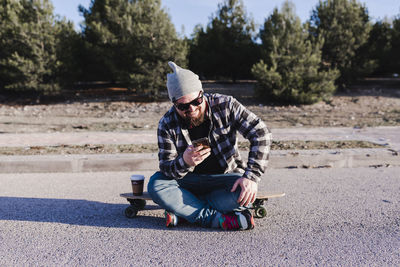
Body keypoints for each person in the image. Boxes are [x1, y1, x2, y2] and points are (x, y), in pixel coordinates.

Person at [147, 62, 271, 230]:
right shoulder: (166, 123)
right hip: (187, 182)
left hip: (224, 180)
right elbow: (166, 168)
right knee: (156, 184)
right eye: (183, 106)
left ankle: (185, 212)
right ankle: (215, 218)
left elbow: (261, 133)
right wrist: (185, 161)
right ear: (174, 104)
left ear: (202, 93)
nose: (192, 109)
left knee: (243, 190)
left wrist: (251, 177)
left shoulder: (226, 105)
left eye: (197, 101)